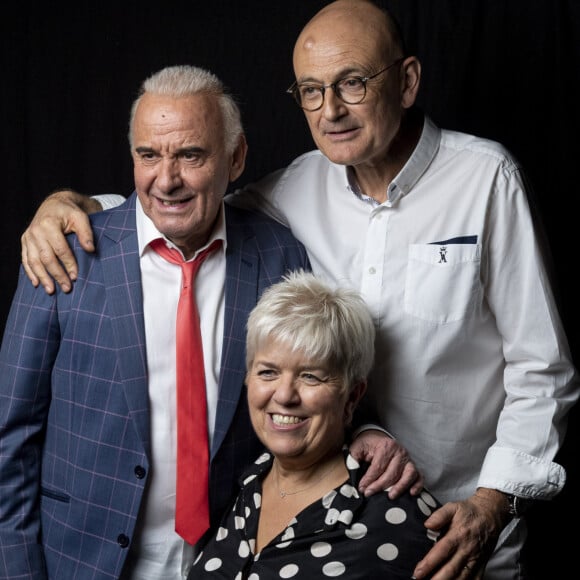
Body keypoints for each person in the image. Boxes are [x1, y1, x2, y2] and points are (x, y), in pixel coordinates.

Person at [16, 1, 580, 578]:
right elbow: (186, 205)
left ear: (407, 81)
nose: (330, 110)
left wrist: (491, 505)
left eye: (352, 84)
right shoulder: (299, 186)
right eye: (310, 91)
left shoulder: (486, 179)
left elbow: (543, 368)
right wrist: (83, 209)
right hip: (330, 526)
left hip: (459, 533)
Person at [0, 64, 416, 580]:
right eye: (147, 155)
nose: (166, 180)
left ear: (235, 158)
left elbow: (316, 381)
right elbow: (10, 435)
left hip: (227, 557)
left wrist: (367, 427)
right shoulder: (65, 258)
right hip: (80, 557)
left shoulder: (278, 254)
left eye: (190, 155)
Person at [190, 269, 441, 579]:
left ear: (352, 396)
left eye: (310, 376)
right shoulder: (248, 481)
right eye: (268, 372)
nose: (284, 395)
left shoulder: (398, 514)